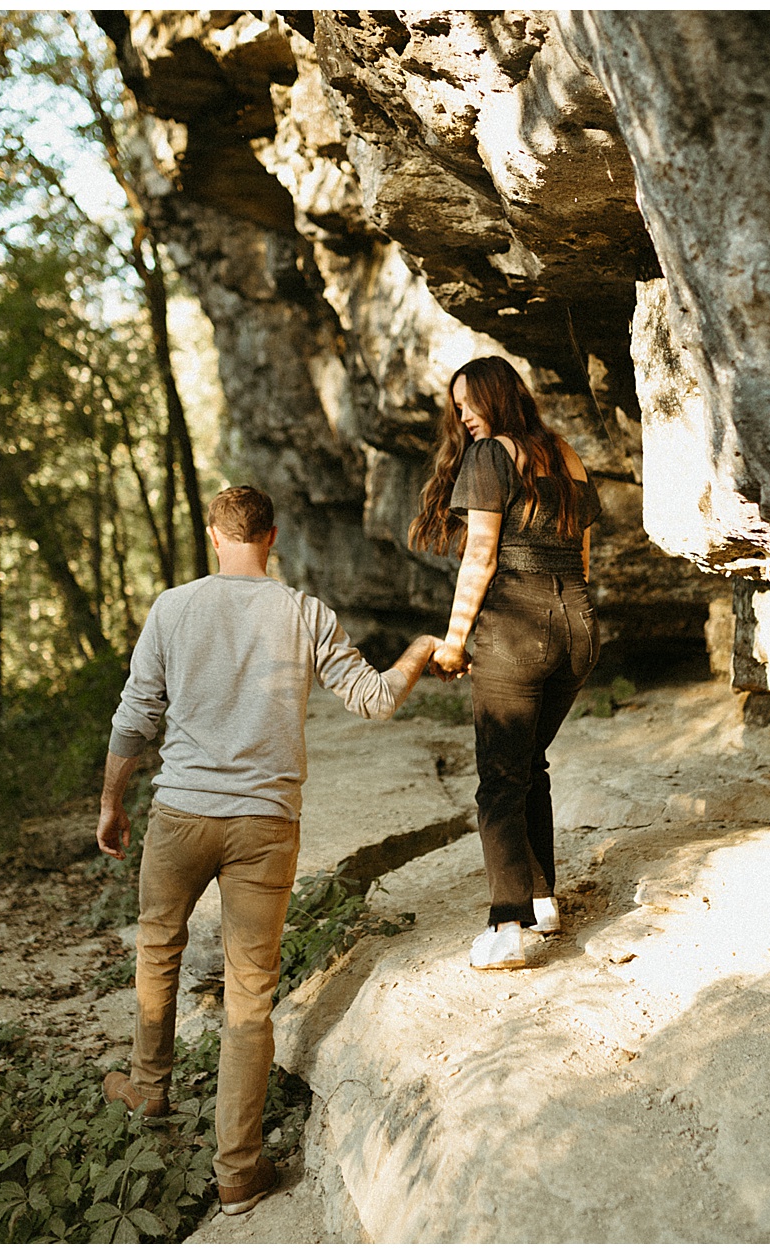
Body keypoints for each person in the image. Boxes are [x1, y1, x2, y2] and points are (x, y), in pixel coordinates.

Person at [97, 484, 440, 1215]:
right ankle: (237, 1176)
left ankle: (148, 1087)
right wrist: (417, 650)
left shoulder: (173, 608)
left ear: (213, 534)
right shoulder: (304, 612)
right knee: (250, 997)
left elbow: (135, 718)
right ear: (273, 537)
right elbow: (375, 699)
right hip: (265, 824)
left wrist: (110, 803)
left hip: (182, 813)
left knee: (158, 946)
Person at [409, 357, 601, 971]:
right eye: (456, 405)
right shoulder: (564, 453)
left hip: (515, 629)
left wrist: (454, 639)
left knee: (499, 778)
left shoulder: (492, 454)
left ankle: (507, 925)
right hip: (578, 626)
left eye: (469, 403)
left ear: (498, 399)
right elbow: (584, 554)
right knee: (528, 764)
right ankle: (542, 899)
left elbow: (482, 555)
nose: (462, 415)